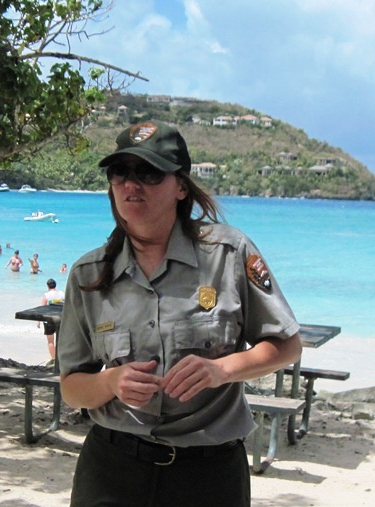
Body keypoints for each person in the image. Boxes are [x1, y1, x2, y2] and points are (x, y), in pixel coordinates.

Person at [58, 120, 302, 507]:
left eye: (149, 172)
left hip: (208, 474)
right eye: (119, 171)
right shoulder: (89, 276)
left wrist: (222, 369)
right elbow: (71, 387)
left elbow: (287, 346)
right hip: (112, 470)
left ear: (181, 187)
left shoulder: (228, 255)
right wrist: (112, 382)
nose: (130, 184)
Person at [37, 278, 65, 361]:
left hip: (49, 320)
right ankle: (60, 358)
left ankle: (53, 359)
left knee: (50, 341)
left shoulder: (46, 295)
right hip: (60, 318)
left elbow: (43, 309)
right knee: (60, 340)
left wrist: (38, 321)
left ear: (47, 286)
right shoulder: (62, 293)